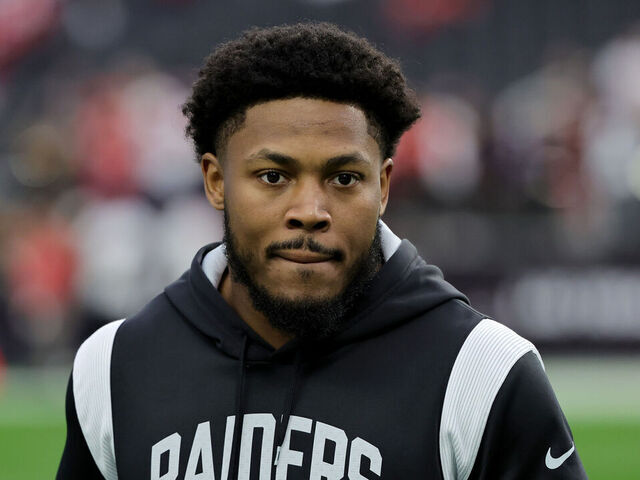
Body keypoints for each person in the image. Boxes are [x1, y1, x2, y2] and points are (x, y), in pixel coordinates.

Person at [57, 22, 588, 479]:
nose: (310, 209)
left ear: (382, 187)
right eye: (273, 176)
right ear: (215, 181)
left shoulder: (484, 372)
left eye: (343, 177)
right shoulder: (112, 366)